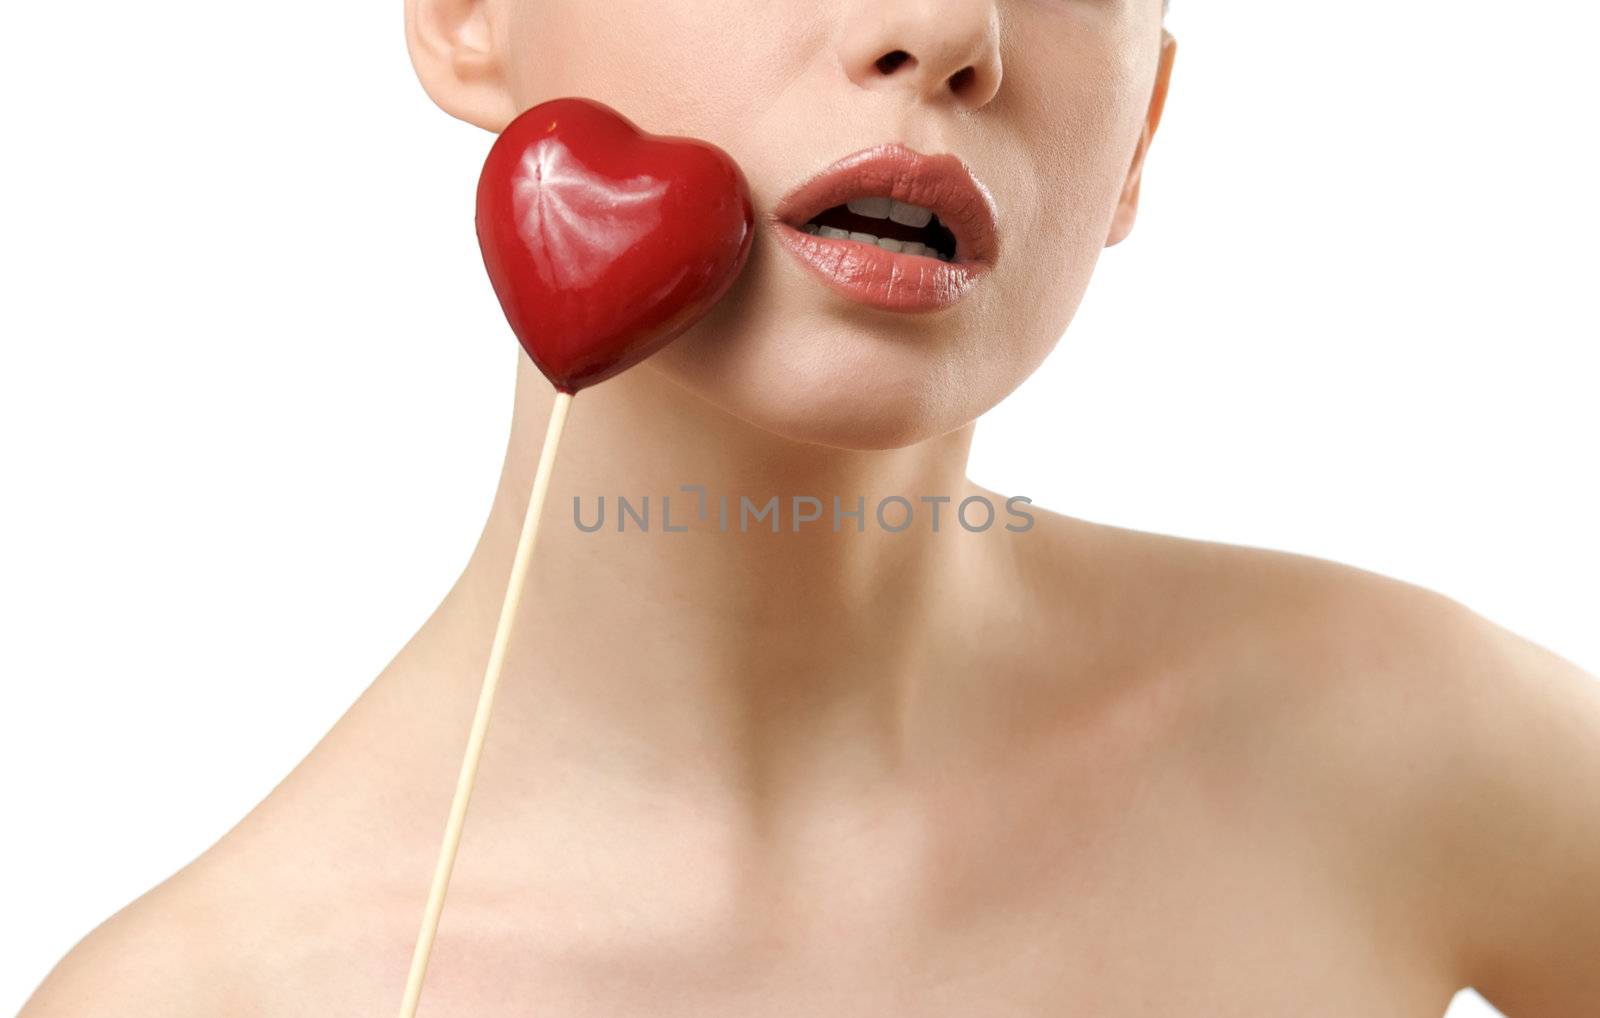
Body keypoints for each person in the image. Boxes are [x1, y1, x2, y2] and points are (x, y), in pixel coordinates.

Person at [20, 0, 1600, 1014]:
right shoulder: (204, 998)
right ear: (466, 15)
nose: (946, 29)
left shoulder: (1409, 738)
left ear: (1143, 140)